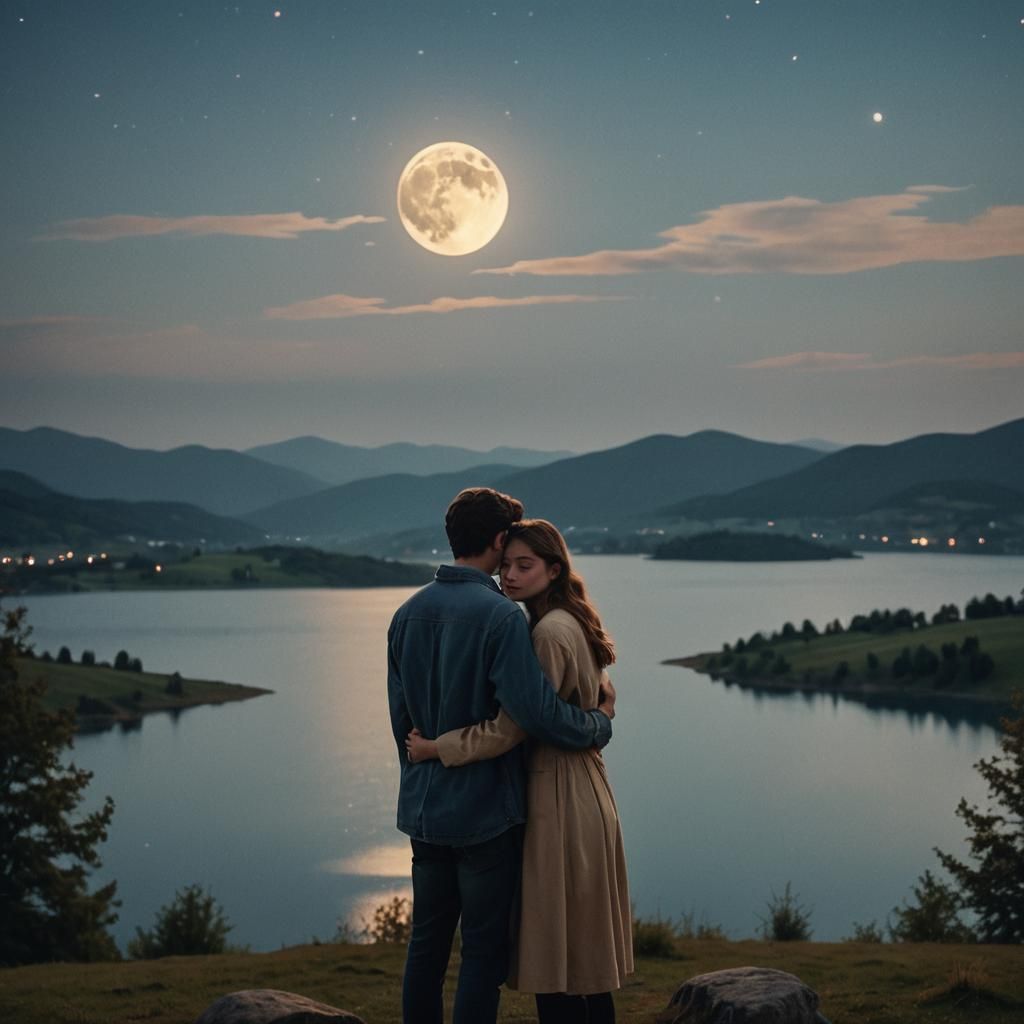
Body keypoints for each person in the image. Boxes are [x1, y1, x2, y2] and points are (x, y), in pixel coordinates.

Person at [388, 488, 616, 1024]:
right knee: (482, 952)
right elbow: (536, 715)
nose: (511, 569)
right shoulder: (501, 618)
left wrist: (423, 766)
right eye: (508, 553)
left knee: (426, 946)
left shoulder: (406, 614)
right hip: (486, 814)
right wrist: (598, 724)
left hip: (425, 808)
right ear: (496, 540)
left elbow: (402, 722)